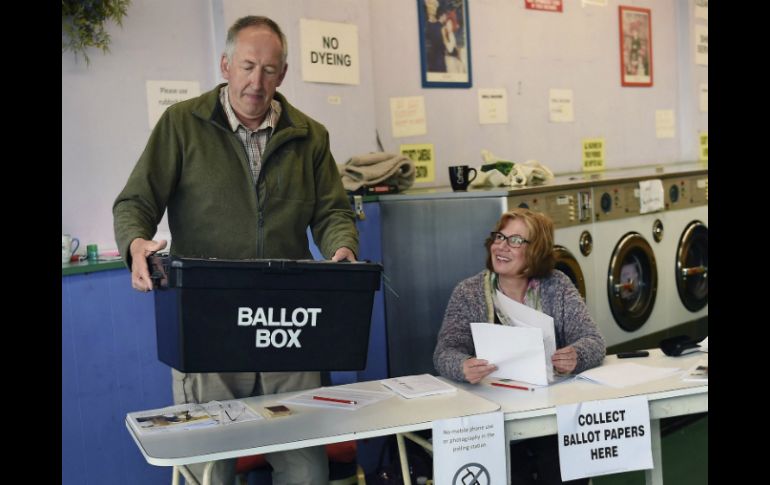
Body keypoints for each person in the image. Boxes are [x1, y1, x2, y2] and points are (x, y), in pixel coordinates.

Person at [113, 15, 358, 485]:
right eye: (247, 66)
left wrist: (342, 246)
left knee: (306, 469)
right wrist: (135, 242)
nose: (256, 81)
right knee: (209, 469)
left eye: (269, 70)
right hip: (210, 322)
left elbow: (333, 212)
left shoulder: (311, 136)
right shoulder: (181, 124)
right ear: (226, 65)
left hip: (289, 325)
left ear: (283, 74)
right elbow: (135, 202)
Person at [433, 208, 605, 484]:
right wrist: (462, 366)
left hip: (550, 415)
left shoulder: (557, 286)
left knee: (562, 468)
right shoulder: (469, 292)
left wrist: (576, 355)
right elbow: (445, 351)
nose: (501, 246)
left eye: (515, 241)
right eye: (499, 237)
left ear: (536, 250)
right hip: (492, 418)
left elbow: (593, 340)